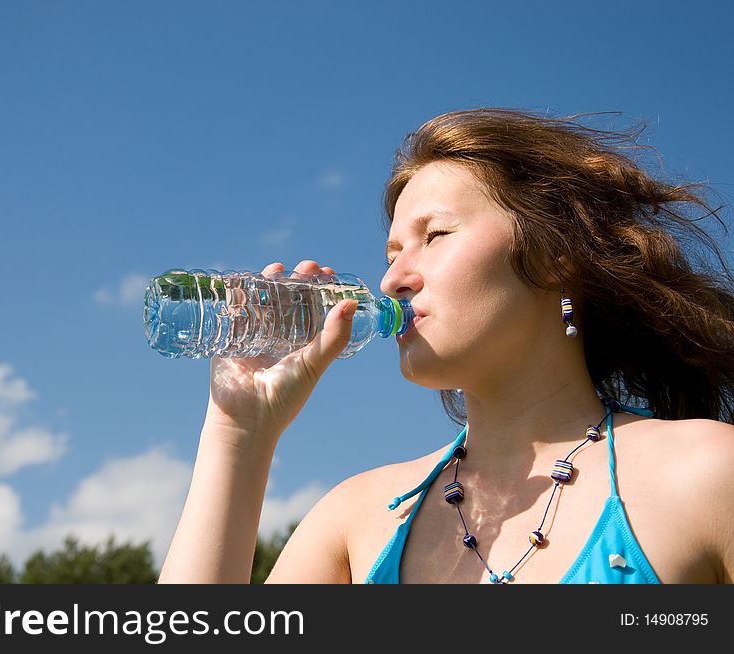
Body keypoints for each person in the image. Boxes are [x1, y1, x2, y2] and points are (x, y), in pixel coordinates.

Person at [158, 108, 734, 584]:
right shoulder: (357, 520)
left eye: (434, 236)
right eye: (390, 255)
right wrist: (240, 434)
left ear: (556, 254)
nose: (392, 280)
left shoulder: (705, 474)